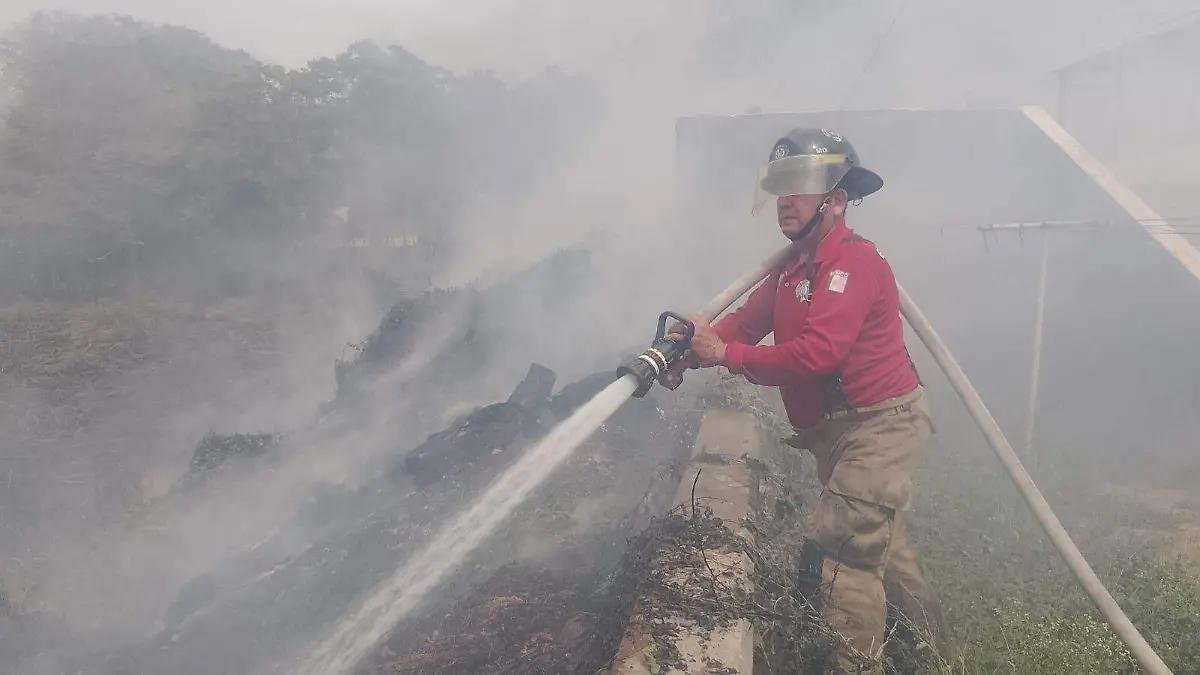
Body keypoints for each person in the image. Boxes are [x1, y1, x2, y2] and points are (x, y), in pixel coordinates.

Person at [674, 127, 938, 672]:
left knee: (844, 555)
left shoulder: (853, 263)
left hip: (879, 426)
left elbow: (819, 354)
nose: (785, 201)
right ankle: (929, 651)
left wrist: (725, 354)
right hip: (838, 431)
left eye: (799, 187)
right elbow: (747, 323)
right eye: (780, 188)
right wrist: (693, 349)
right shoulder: (794, 266)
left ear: (836, 200)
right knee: (877, 546)